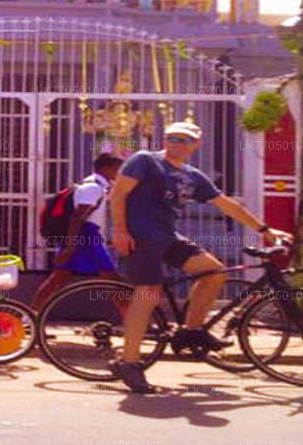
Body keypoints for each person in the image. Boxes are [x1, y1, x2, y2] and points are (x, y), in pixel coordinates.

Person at [108, 122, 293, 393]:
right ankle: (129, 362)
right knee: (149, 292)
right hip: (141, 237)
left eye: (186, 139)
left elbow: (227, 205)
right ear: (165, 139)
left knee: (214, 271)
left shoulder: (193, 176)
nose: (178, 143)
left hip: (167, 236)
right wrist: (121, 231)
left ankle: (191, 331)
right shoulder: (145, 160)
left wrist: (265, 230)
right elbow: (118, 194)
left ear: (196, 144)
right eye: (173, 138)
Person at [31, 153, 123, 311]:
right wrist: (71, 247)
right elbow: (77, 217)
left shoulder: (95, 186)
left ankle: (29, 317)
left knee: (57, 279)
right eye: (118, 169)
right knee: (113, 280)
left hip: (83, 235)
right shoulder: (93, 187)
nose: (120, 173)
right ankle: (136, 321)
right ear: (106, 168)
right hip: (85, 236)